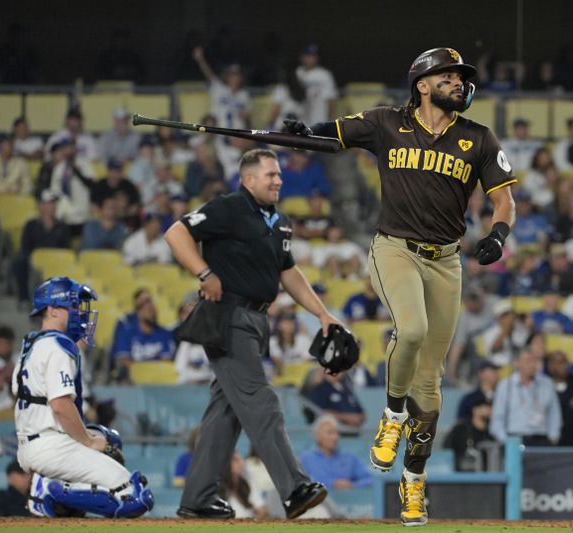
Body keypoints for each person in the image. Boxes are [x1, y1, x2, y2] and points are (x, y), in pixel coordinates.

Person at [282, 47, 517, 526]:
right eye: (448, 76)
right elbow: (334, 133)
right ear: (423, 84)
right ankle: (391, 419)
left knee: (430, 390)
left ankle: (414, 483)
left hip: (447, 263)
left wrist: (497, 234)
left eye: (460, 77)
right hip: (395, 249)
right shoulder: (387, 122)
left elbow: (504, 200)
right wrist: (304, 134)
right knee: (409, 331)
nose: (458, 82)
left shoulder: (479, 137)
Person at [165, 148, 340, 520]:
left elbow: (288, 273)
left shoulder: (280, 221)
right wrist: (203, 272)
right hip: (229, 316)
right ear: (248, 179)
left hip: (257, 321)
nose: (279, 180)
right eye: (271, 175)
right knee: (261, 401)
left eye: (279, 175)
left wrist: (322, 313)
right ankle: (294, 488)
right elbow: (176, 232)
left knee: (224, 415)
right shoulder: (228, 207)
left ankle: (197, 499)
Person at [12, 277, 153, 518]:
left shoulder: (31, 344)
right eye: (74, 306)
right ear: (53, 310)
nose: (80, 312)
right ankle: (46, 489)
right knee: (135, 496)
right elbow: (60, 405)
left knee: (108, 439)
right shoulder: (58, 345)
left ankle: (58, 493)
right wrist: (88, 441)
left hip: (31, 445)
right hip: (51, 446)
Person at [490, 346, 561, 446]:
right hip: (514, 438)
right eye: (528, 361)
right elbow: (497, 420)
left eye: (534, 361)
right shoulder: (505, 386)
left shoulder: (547, 384)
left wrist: (553, 438)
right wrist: (506, 443)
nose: (532, 365)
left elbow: (554, 415)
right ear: (517, 363)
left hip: (541, 439)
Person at [12, 190, 72, 303]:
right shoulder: (31, 225)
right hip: (35, 261)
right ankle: (24, 298)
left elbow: (66, 250)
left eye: (54, 203)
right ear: (42, 206)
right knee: (19, 263)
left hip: (55, 261)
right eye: (49, 203)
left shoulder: (62, 226)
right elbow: (25, 246)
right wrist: (31, 258)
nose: (53, 206)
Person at [110, 290, 175, 381]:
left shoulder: (164, 333)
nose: (150, 310)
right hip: (133, 379)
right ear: (138, 312)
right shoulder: (127, 331)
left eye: (151, 307)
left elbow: (166, 360)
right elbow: (123, 359)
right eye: (144, 307)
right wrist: (141, 373)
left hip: (157, 379)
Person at [299, 414, 373, 490]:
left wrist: (352, 485)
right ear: (317, 436)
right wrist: (333, 484)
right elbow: (301, 485)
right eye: (330, 432)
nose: (335, 437)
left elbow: (370, 479)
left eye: (336, 433)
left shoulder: (350, 458)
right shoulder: (306, 459)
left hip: (348, 499)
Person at [192, 46, 250, 130]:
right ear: (227, 76)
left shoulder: (244, 94)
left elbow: (246, 115)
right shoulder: (219, 88)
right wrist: (200, 59)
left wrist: (243, 115)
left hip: (237, 133)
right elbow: (208, 74)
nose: (235, 78)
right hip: (218, 131)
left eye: (237, 75)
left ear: (241, 78)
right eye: (232, 75)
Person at [443, 396, 497, 471]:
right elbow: (446, 449)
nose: (489, 409)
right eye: (484, 406)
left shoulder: (491, 434)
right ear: (475, 409)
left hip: (484, 477)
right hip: (460, 476)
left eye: (490, 406)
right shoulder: (460, 430)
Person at [296, 44, 338, 125]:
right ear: (301, 57)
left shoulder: (324, 74)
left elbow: (330, 100)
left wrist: (329, 122)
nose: (311, 59)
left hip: (319, 121)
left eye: (313, 56)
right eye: (308, 56)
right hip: (300, 121)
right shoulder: (297, 73)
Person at [482, 299, 530, 367]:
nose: (509, 317)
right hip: (496, 367)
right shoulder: (489, 332)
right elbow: (494, 349)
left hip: (519, 367)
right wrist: (506, 329)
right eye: (504, 315)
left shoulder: (521, 329)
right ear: (498, 318)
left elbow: (523, 346)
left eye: (510, 314)